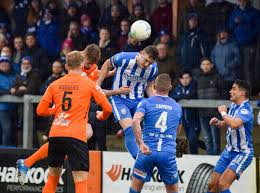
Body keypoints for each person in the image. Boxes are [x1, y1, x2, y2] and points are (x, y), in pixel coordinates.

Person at [16, 44, 129, 184]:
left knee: (83, 134)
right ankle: (30, 161)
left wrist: (111, 73)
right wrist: (116, 92)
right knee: (84, 133)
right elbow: (96, 92)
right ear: (83, 58)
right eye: (87, 62)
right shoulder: (77, 63)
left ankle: (28, 161)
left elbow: (96, 77)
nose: (87, 65)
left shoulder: (91, 66)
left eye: (91, 64)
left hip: (80, 107)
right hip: (72, 107)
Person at [35, 51, 112, 193]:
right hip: (76, 136)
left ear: (65, 66)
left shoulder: (54, 84)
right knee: (80, 181)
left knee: (52, 179)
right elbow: (108, 108)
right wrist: (102, 116)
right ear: (82, 65)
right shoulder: (89, 84)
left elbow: (40, 111)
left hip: (56, 134)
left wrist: (57, 111)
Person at [97, 45, 159, 159]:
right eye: (146, 60)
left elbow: (150, 87)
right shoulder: (123, 57)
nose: (146, 65)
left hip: (139, 100)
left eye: (150, 63)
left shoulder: (153, 69)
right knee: (130, 129)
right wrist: (97, 85)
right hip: (119, 99)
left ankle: (151, 155)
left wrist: (155, 103)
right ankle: (139, 159)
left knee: (150, 127)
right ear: (140, 53)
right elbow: (107, 64)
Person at [129, 73, 182, 193]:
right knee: (173, 190)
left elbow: (135, 120)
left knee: (135, 189)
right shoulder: (177, 107)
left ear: (154, 86)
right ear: (170, 87)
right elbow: (177, 130)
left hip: (147, 151)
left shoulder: (146, 103)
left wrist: (140, 143)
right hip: (167, 153)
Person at [207, 79, 254, 193]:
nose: (230, 91)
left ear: (242, 93)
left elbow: (234, 124)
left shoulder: (246, 109)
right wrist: (219, 122)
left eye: (233, 89)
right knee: (212, 185)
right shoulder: (234, 106)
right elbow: (228, 123)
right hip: (228, 151)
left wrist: (223, 112)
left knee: (223, 184)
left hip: (242, 152)